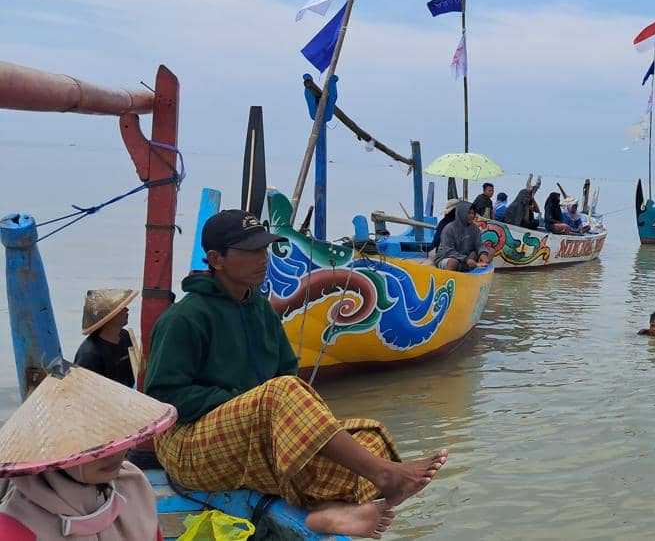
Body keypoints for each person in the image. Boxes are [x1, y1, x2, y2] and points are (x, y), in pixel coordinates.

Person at [144, 210, 448, 539]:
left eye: (264, 249)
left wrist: (278, 419)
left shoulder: (261, 309)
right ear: (217, 259)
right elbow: (164, 398)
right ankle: (385, 477)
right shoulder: (185, 318)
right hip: (189, 448)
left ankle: (326, 511)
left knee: (369, 438)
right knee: (282, 392)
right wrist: (245, 405)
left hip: (252, 438)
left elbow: (286, 371)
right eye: (250, 251)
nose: (263, 258)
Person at [0, 362, 177, 540]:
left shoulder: (134, 485)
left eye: (115, 435)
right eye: (93, 443)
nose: (115, 453)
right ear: (54, 448)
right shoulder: (15, 527)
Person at [73, 288, 138, 388]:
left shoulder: (125, 336)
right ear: (109, 318)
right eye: (121, 308)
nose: (127, 309)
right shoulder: (89, 355)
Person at [434, 201, 492, 271]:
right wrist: (466, 259)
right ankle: (448, 280)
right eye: (469, 213)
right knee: (453, 262)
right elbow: (448, 251)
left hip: (465, 256)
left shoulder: (475, 228)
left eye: (473, 213)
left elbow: (479, 244)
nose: (472, 216)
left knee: (490, 251)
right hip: (446, 257)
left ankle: (479, 274)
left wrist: (483, 253)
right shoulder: (449, 228)